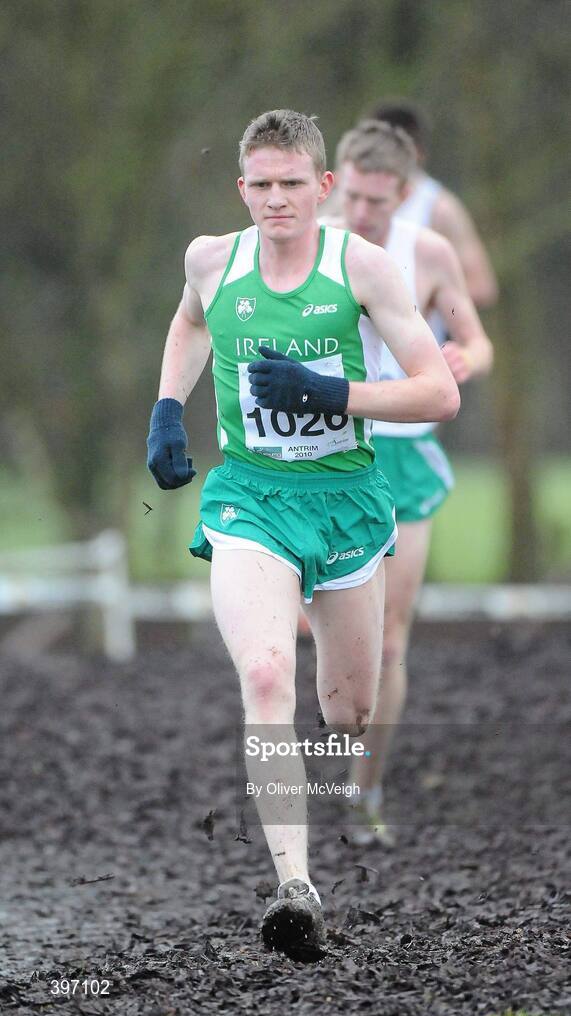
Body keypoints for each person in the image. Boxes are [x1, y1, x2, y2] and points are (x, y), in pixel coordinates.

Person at [146, 109, 460, 958]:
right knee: (263, 671)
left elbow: (438, 393)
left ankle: (341, 771)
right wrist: (168, 407)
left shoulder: (363, 268)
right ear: (240, 187)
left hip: (349, 502)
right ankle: (295, 888)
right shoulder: (212, 259)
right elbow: (190, 323)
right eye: (261, 184)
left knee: (347, 711)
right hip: (250, 499)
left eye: (292, 183)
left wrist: (333, 397)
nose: (276, 199)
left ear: (322, 188)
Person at [322, 120, 493, 845]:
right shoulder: (309, 242)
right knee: (323, 647)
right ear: (335, 181)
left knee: (390, 644)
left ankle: (365, 791)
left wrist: (465, 359)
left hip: (400, 455)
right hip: (323, 455)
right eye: (352, 196)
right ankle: (310, 770)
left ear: (403, 192)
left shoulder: (426, 251)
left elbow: (476, 337)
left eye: (377, 202)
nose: (362, 214)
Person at [369, 100, 498, 310]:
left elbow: (482, 287)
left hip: (422, 339)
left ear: (417, 153)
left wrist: (420, 296)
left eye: (391, 153)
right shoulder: (345, 197)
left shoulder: (439, 208)